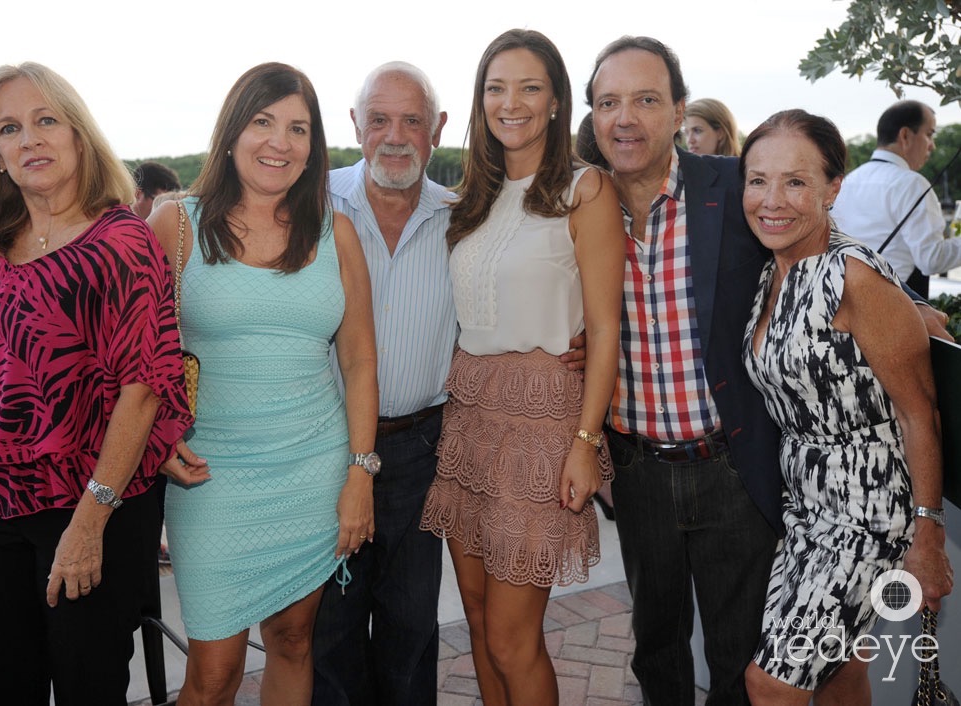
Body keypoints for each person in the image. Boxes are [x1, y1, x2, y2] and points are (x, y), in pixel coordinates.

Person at [584, 36, 951, 706]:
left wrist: (913, 307)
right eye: (609, 102)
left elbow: (840, 256)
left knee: (748, 664)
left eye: (645, 99)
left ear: (677, 110)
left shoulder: (735, 188)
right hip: (643, 471)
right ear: (592, 115)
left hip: (737, 472)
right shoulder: (583, 204)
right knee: (661, 647)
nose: (626, 117)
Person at [0, 62, 191, 705]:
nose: (30, 140)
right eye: (9, 128)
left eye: (47, 121)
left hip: (88, 503)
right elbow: (18, 346)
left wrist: (89, 522)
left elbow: (143, 386)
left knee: (86, 686)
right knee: (2, 687)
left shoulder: (120, 242)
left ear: (78, 136)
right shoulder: (0, 241)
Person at [149, 62, 378, 706]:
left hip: (314, 468)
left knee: (294, 641)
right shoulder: (177, 224)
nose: (280, 141)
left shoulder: (335, 233)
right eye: (263, 121)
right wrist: (156, 441)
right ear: (231, 133)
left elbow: (360, 358)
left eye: (298, 128)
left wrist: (360, 471)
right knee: (214, 673)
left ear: (314, 148)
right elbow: (132, 357)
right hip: (210, 476)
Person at [421, 29, 624, 706]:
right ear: (479, 103)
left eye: (530, 87)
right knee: (478, 624)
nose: (511, 102)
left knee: (513, 636)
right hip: (470, 417)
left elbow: (605, 328)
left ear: (559, 102)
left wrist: (586, 443)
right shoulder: (468, 201)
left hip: (541, 424)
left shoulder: (585, 190)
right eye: (495, 87)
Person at [738, 108, 953, 704]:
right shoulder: (776, 268)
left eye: (796, 181)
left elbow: (919, 412)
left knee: (770, 684)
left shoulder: (852, 277)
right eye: (758, 180)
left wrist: (927, 536)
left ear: (835, 187)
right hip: (806, 508)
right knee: (840, 675)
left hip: (869, 515)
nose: (771, 199)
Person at [311, 61, 453, 706]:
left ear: (438, 130)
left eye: (412, 121)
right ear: (354, 125)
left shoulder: (462, 220)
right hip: (326, 451)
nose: (394, 136)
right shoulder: (310, 205)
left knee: (412, 629)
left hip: (422, 450)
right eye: (379, 119)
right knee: (329, 634)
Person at [831, 100, 956, 298]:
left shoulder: (848, 182)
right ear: (905, 135)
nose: (932, 145)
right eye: (929, 134)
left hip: (842, 299)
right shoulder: (912, 183)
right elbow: (932, 260)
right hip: (892, 304)